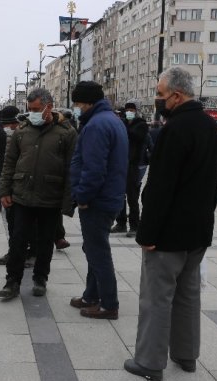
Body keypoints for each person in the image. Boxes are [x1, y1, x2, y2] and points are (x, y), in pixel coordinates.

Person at [125, 67, 217, 381]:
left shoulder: (175, 128)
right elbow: (216, 182)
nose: (157, 99)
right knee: (188, 294)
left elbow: (160, 186)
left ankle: (150, 362)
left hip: (167, 232)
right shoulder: (213, 128)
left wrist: (147, 232)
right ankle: (186, 355)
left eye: (160, 93)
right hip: (198, 231)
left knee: (157, 297)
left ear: (177, 96)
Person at [0, 88, 77, 299]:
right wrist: (4, 190)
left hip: (50, 197)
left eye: (35, 109)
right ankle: (11, 281)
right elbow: (9, 163)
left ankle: (40, 278)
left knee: (44, 242)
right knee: (18, 240)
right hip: (22, 195)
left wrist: (68, 202)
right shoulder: (22, 130)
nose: (31, 113)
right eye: (29, 109)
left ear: (48, 107)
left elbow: (72, 168)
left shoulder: (66, 133)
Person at [69, 81, 129, 319]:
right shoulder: (111, 119)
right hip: (110, 197)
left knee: (97, 252)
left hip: (97, 200)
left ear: (87, 102)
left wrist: (83, 196)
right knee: (93, 248)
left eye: (77, 103)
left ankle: (108, 304)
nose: (76, 108)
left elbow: (94, 169)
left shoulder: (96, 125)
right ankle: (91, 295)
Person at [111, 101, 148, 238]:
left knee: (132, 197)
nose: (129, 112)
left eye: (132, 110)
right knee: (120, 196)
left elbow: (136, 136)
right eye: (127, 110)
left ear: (136, 111)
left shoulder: (141, 124)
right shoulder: (123, 123)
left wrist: (121, 125)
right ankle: (120, 223)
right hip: (120, 163)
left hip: (133, 165)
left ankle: (134, 225)